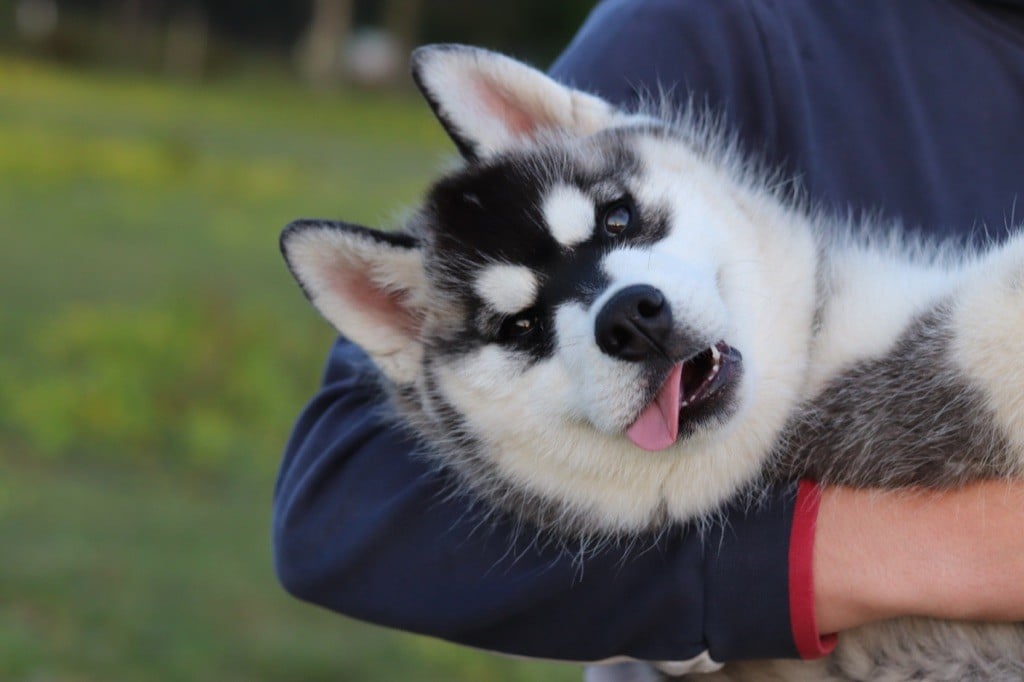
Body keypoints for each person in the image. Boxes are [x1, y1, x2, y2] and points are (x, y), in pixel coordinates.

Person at [273, 0, 1024, 676]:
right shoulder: (718, 21)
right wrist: (840, 562)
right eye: (522, 326)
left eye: (620, 223)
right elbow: (343, 504)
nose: (626, 312)